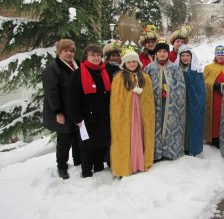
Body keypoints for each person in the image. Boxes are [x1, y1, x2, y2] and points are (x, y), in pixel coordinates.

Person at [110, 47, 155, 177]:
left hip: (141, 113)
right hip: (127, 113)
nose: (131, 64)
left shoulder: (145, 76)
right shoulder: (119, 78)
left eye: (134, 61)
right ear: (124, 64)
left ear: (138, 63)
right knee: (128, 135)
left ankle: (140, 161)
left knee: (140, 134)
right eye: (129, 62)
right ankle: (128, 163)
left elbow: (149, 98)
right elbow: (116, 100)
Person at [68, 44, 111, 178]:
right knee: (87, 145)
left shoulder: (104, 71)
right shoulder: (78, 73)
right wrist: (77, 118)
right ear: (86, 56)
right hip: (86, 117)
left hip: (103, 116)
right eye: (93, 55)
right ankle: (86, 172)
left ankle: (98, 168)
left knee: (101, 143)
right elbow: (73, 98)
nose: (96, 57)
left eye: (98, 55)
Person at [42, 39, 81, 179]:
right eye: (66, 51)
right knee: (64, 139)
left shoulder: (78, 65)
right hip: (63, 111)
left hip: (76, 109)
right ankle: (62, 166)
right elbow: (51, 92)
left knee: (78, 138)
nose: (69, 53)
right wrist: (57, 112)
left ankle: (78, 162)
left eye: (71, 50)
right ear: (59, 52)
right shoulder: (53, 68)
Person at [145, 38, 186, 161]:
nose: (162, 54)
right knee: (156, 125)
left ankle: (170, 151)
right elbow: (145, 87)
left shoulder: (175, 68)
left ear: (168, 53)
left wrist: (171, 93)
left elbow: (181, 88)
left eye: (164, 51)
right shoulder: (149, 68)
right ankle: (156, 153)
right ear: (156, 53)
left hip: (172, 105)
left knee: (170, 125)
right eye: (159, 51)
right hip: (155, 104)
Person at [178, 44, 205, 156]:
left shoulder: (196, 70)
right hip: (180, 103)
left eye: (187, 55)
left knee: (192, 124)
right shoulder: (176, 69)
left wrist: (195, 100)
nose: (185, 58)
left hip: (193, 103)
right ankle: (180, 147)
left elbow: (200, 89)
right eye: (183, 55)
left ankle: (191, 148)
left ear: (191, 57)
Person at [203, 45, 224, 148]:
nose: (220, 56)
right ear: (215, 55)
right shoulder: (209, 67)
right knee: (214, 117)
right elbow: (203, 82)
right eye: (218, 54)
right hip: (213, 97)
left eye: (222, 54)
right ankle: (214, 137)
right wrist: (212, 84)